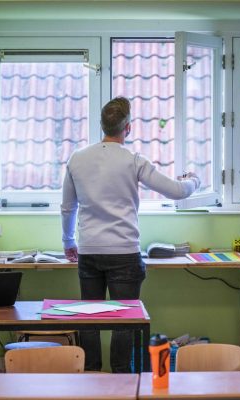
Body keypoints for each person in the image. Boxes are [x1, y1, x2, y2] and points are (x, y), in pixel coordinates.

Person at [60, 96, 200, 373]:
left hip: (89, 251)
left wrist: (68, 242)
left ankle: (91, 375)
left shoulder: (77, 159)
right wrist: (194, 180)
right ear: (128, 128)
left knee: (89, 319)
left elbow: (68, 207)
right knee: (124, 321)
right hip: (124, 252)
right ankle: (121, 379)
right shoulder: (133, 160)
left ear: (102, 125)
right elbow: (175, 191)